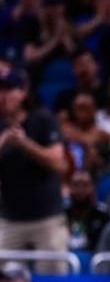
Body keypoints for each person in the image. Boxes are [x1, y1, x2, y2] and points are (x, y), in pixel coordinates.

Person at [0, 70, 70, 275]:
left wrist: (25, 143)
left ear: (22, 93)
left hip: (47, 218)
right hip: (10, 219)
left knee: (53, 276)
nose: (3, 96)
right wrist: (3, 143)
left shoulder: (43, 119)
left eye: (9, 90)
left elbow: (58, 163)